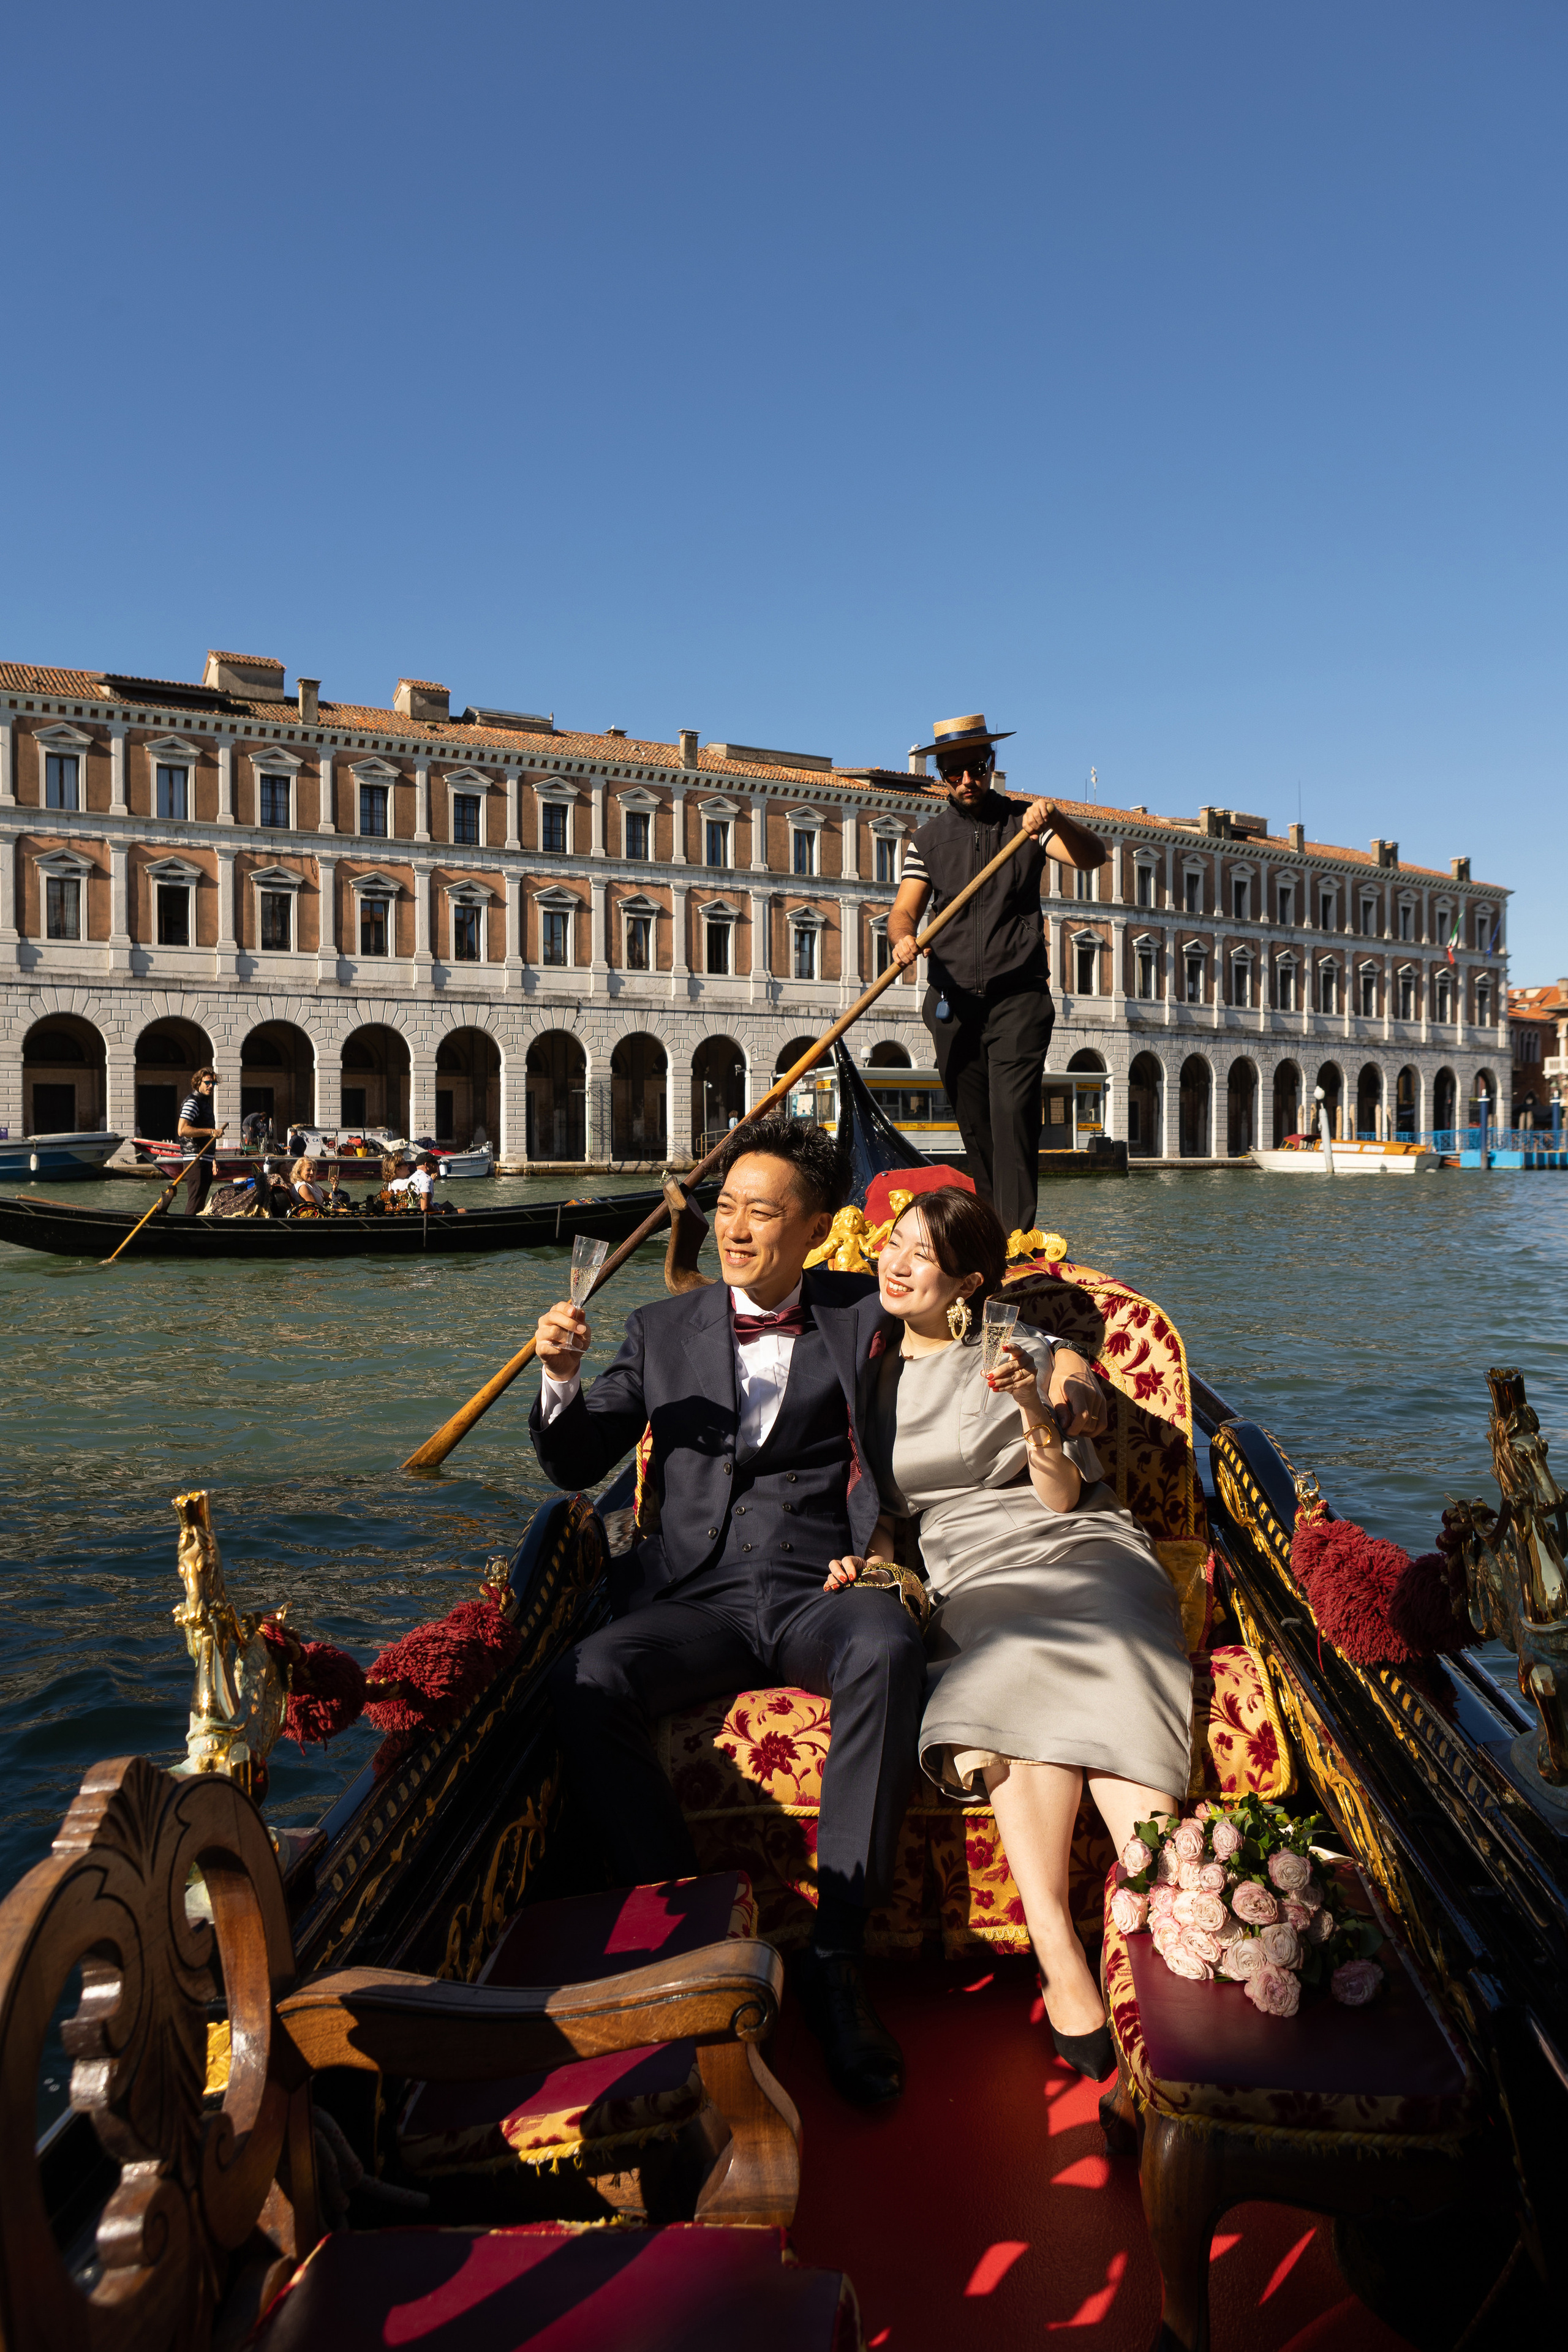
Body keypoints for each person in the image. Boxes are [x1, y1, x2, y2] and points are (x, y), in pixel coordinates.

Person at [531, 1115, 1106, 2108]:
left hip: (817, 1589)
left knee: (886, 1646)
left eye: (762, 1211)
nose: (735, 1229)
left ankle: (840, 1958)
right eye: (725, 1209)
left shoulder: (858, 1310)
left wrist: (1064, 1378)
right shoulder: (658, 1330)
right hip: (697, 1598)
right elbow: (576, 1461)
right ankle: (700, 1941)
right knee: (583, 1681)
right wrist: (558, 1376)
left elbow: (987, 1319)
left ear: (812, 1229)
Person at [826, 1186, 1191, 2084]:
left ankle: (1156, 1932)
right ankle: (1061, 1947)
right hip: (964, 1568)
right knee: (1014, 1664)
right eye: (893, 1244)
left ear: (969, 1282)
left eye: (923, 1254)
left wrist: (1042, 1405)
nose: (896, 1262)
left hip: (1077, 1542)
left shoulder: (1014, 1345)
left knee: (1094, 1640)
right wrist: (868, 1566)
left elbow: (1064, 1491)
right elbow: (876, 1505)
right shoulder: (866, 1371)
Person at [887, 714, 1107, 1238]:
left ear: (991, 767)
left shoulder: (1025, 826)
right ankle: (989, 1230)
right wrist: (901, 939)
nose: (968, 780)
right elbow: (903, 912)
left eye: (977, 769)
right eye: (956, 771)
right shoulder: (928, 841)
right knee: (977, 1125)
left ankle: (1017, 1240)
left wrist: (1057, 819)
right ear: (941, 774)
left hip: (1018, 996)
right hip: (952, 1000)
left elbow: (1093, 858)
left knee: (1012, 1114)